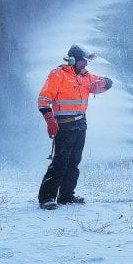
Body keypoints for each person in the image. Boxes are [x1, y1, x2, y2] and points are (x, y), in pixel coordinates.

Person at [37, 44, 113, 210]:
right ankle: (47, 198)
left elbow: (108, 82)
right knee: (60, 162)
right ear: (73, 60)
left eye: (87, 61)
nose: (86, 64)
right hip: (64, 126)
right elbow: (43, 99)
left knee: (74, 162)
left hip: (80, 125)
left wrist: (105, 83)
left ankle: (66, 196)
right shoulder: (58, 75)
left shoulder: (86, 76)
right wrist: (49, 119)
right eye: (83, 61)